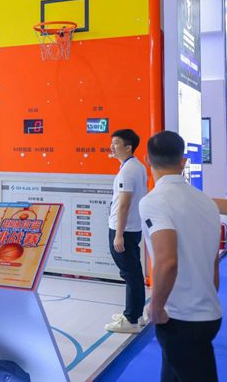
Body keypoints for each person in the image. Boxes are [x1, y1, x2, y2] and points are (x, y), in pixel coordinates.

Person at [140, 130, 222, 381]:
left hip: (180, 318)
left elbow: (167, 261)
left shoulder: (154, 201)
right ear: (183, 161)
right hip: (207, 312)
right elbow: (213, 260)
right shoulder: (205, 201)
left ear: (147, 159)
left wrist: (156, 307)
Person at [104, 129, 148, 334]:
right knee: (134, 273)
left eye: (116, 143)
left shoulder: (128, 171)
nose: (112, 147)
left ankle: (130, 319)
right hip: (132, 227)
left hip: (124, 228)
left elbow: (124, 204)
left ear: (128, 147)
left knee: (130, 274)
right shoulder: (135, 166)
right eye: (112, 143)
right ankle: (136, 314)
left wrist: (119, 234)